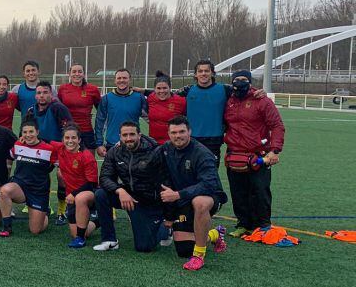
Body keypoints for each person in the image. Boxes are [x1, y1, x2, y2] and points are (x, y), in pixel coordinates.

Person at [159, 116, 229, 271]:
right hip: (183, 200)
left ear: (189, 131)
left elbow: (209, 184)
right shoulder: (166, 148)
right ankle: (215, 234)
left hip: (209, 198)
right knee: (184, 250)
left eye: (182, 131)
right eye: (174, 132)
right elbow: (148, 156)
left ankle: (198, 256)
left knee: (200, 202)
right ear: (169, 134)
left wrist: (178, 194)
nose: (178, 136)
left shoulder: (202, 153)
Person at [222, 69, 285, 236]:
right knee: (238, 191)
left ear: (250, 82)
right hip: (235, 153)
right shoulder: (228, 100)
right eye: (237, 79)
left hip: (258, 154)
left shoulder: (262, 100)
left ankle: (263, 225)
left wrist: (275, 150)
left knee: (260, 190)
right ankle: (242, 224)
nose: (240, 82)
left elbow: (277, 125)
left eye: (244, 79)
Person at [91, 121, 165, 252]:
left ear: (139, 135)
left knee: (144, 247)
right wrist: (120, 191)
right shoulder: (115, 151)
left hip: (150, 201)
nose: (128, 138)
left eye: (132, 134)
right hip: (129, 197)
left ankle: (165, 229)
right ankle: (110, 240)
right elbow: (104, 177)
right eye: (125, 135)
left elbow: (165, 179)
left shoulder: (154, 151)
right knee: (101, 194)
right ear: (120, 136)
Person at [176, 60, 264, 164]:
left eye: (206, 71)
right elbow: (166, 97)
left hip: (214, 140)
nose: (203, 73)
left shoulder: (224, 89)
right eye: (200, 71)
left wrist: (259, 92)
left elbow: (244, 91)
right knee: (190, 173)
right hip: (191, 139)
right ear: (195, 74)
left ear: (212, 73)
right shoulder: (187, 91)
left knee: (210, 173)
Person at [24, 81, 76, 223]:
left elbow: (69, 129)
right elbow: (25, 130)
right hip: (41, 150)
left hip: (59, 149)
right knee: (36, 173)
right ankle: (42, 205)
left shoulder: (58, 108)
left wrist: (67, 147)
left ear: (51, 94)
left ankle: (62, 210)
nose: (42, 95)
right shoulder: (31, 110)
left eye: (45, 92)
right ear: (35, 96)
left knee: (61, 176)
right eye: (39, 93)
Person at [0, 120, 57, 237]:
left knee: (35, 230)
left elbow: (59, 164)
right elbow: (7, 156)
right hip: (20, 186)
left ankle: (44, 214)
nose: (28, 135)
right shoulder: (18, 145)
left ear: (37, 132)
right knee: (4, 191)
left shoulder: (49, 149)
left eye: (31, 131)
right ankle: (7, 227)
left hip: (38, 191)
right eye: (25, 132)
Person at [55, 125, 99, 248]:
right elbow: (42, 140)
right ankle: (97, 221)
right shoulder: (60, 149)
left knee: (80, 198)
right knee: (75, 233)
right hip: (71, 196)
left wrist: (73, 194)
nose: (70, 141)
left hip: (89, 193)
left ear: (79, 140)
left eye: (73, 138)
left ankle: (80, 239)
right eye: (67, 138)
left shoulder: (86, 156)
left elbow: (92, 184)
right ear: (63, 140)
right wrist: (23, 139)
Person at [95, 69, 146, 155]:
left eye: (125, 78)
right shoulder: (106, 99)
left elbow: (152, 119)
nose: (122, 80)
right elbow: (100, 122)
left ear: (129, 80)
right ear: (115, 81)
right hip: (112, 145)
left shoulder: (139, 98)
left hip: (133, 144)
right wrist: (99, 144)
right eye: (119, 78)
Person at [57, 64, 102, 150]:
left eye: (80, 71)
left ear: (84, 74)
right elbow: (59, 110)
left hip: (86, 130)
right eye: (74, 72)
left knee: (89, 160)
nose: (77, 74)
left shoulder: (93, 89)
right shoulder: (63, 89)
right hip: (68, 130)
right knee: (69, 160)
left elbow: (100, 111)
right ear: (69, 74)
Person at [146, 71, 186, 143]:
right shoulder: (150, 98)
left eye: (165, 88)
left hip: (173, 143)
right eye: (159, 88)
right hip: (153, 143)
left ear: (170, 88)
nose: (162, 91)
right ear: (154, 89)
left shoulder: (181, 101)